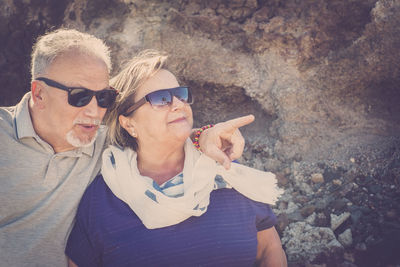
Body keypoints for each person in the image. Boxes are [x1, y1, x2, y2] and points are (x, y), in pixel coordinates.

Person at [0, 29, 254, 267]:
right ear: (39, 93)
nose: (94, 111)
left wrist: (203, 137)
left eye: (104, 98)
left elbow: (156, 135)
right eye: (78, 96)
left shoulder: (104, 145)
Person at [66, 50, 287, 266]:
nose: (178, 104)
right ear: (129, 124)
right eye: (161, 99)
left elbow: (269, 249)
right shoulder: (103, 198)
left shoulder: (226, 172)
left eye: (180, 95)